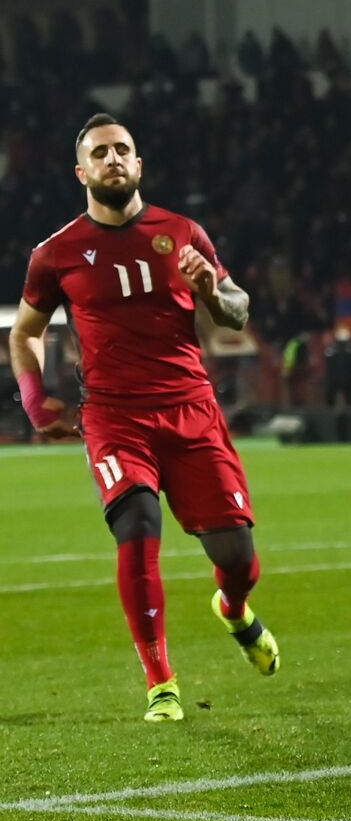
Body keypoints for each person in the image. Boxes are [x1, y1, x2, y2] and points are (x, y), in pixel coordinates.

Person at [9, 113, 279, 723]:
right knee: (136, 524)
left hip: (191, 409)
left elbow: (237, 311)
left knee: (237, 555)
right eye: (100, 153)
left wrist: (211, 288)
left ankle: (234, 610)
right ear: (82, 171)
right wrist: (33, 398)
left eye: (123, 150)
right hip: (114, 416)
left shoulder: (183, 232)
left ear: (139, 164)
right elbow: (25, 333)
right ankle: (162, 682)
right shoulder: (55, 254)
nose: (113, 160)